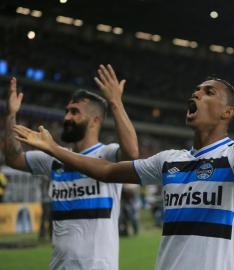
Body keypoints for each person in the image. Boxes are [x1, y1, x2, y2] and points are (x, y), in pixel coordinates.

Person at [13, 77, 234, 270]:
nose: (195, 93)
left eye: (208, 92)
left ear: (227, 111)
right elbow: (106, 170)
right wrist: (54, 149)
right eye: (195, 90)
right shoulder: (170, 161)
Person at [4, 64, 138, 270]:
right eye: (67, 111)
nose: (66, 117)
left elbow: (132, 153)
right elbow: (13, 159)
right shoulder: (52, 157)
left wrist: (115, 102)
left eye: (75, 112)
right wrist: (11, 115)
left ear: (95, 120)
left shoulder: (108, 154)